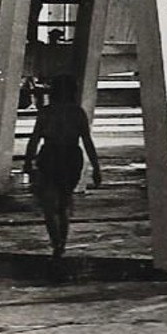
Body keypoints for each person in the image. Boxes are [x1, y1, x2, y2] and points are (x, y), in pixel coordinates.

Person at [22, 73, 102, 261]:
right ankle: (61, 243)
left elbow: (34, 140)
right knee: (64, 202)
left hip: (50, 155)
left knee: (49, 205)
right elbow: (87, 142)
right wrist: (96, 168)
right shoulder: (78, 113)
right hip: (71, 156)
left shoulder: (46, 112)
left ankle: (57, 241)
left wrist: (27, 161)